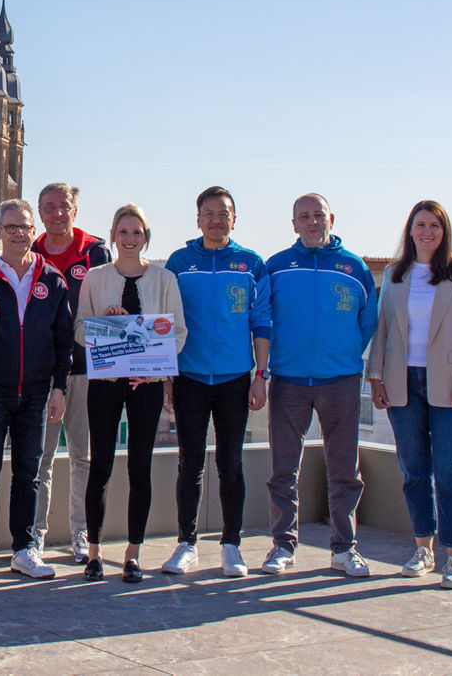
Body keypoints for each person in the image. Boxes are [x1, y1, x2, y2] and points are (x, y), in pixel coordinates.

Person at [367, 200, 452, 590]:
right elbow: (383, 329)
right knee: (414, 470)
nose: (427, 232)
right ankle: (423, 549)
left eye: (435, 225)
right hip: (402, 382)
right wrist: (376, 377)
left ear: (445, 230)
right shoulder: (396, 274)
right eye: (420, 225)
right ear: (410, 230)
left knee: (451, 471)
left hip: (451, 383)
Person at [262, 193, 377, 577]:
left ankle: (345, 548)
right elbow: (262, 318)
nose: (312, 222)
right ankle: (283, 545)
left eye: (318, 215)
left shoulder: (354, 267)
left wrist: (342, 356)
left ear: (331, 219)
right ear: (294, 223)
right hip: (288, 380)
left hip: (340, 381)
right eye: (304, 216)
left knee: (344, 470)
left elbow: (368, 322)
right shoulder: (277, 266)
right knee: (283, 470)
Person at [161, 187, 270, 578]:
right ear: (198, 219)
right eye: (209, 213)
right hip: (188, 377)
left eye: (224, 214)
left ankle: (231, 545)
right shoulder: (179, 263)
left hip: (235, 379)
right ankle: (186, 544)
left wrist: (260, 376)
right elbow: (165, 322)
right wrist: (167, 376)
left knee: (231, 464)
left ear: (234, 220)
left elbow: (261, 322)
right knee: (189, 463)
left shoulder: (251, 264)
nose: (216, 220)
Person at [0, 198, 73, 581]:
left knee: (29, 473)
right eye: (10, 227)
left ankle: (25, 549)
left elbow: (63, 340)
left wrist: (60, 388)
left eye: (24, 227)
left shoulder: (51, 279)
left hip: (37, 393)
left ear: (33, 231)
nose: (18, 234)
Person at [75, 204, 186, 582]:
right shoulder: (95, 278)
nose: (129, 238)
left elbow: (178, 333)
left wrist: (152, 370)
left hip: (146, 386)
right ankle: (94, 553)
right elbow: (79, 330)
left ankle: (132, 554)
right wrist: (104, 324)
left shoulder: (165, 279)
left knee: (140, 469)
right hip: (105, 384)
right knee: (100, 468)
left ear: (146, 237)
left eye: (136, 232)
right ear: (113, 236)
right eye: (123, 231)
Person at [31, 183, 110, 562]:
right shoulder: (31, 251)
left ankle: (82, 533)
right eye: (49, 207)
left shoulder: (95, 252)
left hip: (85, 369)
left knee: (82, 456)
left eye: (64, 206)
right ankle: (34, 536)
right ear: (40, 213)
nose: (57, 213)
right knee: (40, 460)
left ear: (75, 211)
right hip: (43, 375)